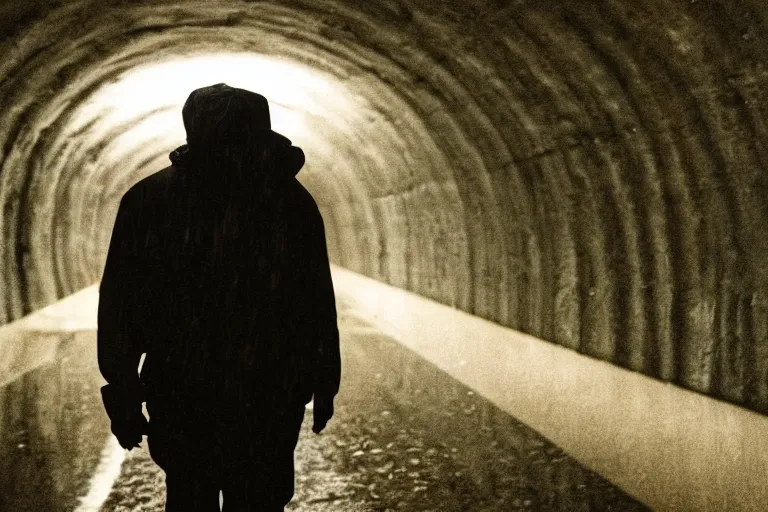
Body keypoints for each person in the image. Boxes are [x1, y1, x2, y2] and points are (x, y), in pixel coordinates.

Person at [97, 83, 341, 511]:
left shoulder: (150, 200)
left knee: (191, 494)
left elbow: (122, 307)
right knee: (260, 499)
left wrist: (123, 390)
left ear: (193, 129)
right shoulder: (289, 201)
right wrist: (323, 380)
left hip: (182, 390)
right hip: (270, 390)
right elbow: (315, 302)